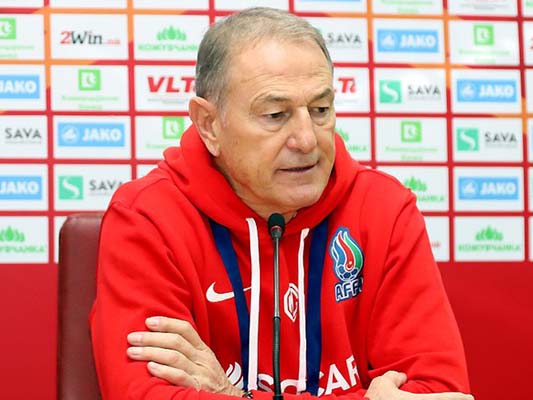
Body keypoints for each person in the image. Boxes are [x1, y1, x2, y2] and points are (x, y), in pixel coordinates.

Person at [90, 7, 472, 400]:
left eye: (320, 110)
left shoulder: (384, 209)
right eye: (275, 115)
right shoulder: (148, 217)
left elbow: (438, 392)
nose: (307, 139)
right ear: (209, 124)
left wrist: (230, 394)